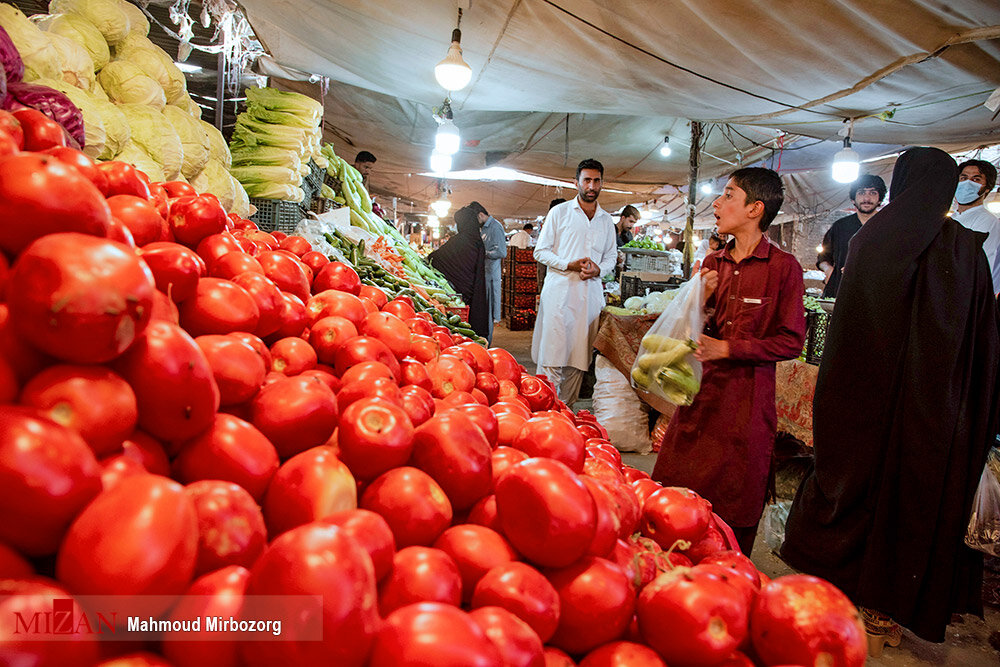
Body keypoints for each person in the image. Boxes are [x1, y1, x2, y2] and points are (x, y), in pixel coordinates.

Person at [781, 148, 1000, 652]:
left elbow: (850, 335)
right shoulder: (965, 248)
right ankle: (892, 604)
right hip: (935, 409)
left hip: (865, 401)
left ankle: (844, 587)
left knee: (859, 482)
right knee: (913, 491)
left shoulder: (874, 238)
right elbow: (979, 340)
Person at [650, 167, 806, 556]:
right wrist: (697, 301)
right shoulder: (712, 264)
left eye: (728, 195)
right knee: (676, 494)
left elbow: (790, 342)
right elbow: (689, 333)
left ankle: (727, 572)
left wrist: (730, 349)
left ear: (755, 208)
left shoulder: (784, 268)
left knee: (736, 500)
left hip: (747, 406)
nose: (717, 204)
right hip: (700, 397)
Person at [532, 159, 617, 407]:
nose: (591, 186)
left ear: (602, 183)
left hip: (589, 297)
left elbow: (611, 256)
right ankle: (544, 412)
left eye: (596, 181)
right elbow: (541, 251)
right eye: (587, 180)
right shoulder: (559, 213)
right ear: (576, 182)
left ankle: (564, 413)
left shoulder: (606, 221)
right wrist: (568, 264)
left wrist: (599, 269)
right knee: (552, 355)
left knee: (579, 360)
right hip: (559, 294)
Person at [816, 174, 886, 298]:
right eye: (861, 193)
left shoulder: (888, 227)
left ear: (880, 199)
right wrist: (829, 270)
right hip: (840, 292)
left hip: (876, 295)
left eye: (873, 193)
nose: (866, 198)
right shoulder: (840, 227)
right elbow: (823, 258)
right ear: (853, 199)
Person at [427, 206, 490, 338]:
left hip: (459, 290)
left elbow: (436, 257)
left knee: (460, 326)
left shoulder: (460, 240)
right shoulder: (478, 241)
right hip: (472, 289)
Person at [953, 159, 1000, 293]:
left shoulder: (987, 221)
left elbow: (979, 267)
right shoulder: (952, 218)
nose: (967, 183)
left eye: (976, 179)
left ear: (987, 188)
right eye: (964, 178)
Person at [469, 201, 507, 344]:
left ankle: (488, 343)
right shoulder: (484, 228)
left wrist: (483, 253)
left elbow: (502, 252)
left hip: (491, 276)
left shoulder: (495, 227)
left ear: (480, 214)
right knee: (484, 312)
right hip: (484, 274)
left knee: (489, 312)